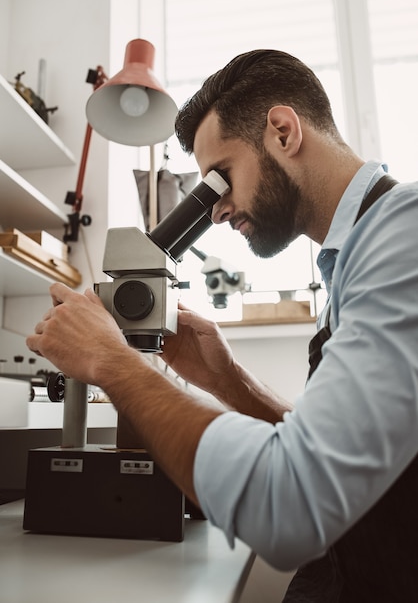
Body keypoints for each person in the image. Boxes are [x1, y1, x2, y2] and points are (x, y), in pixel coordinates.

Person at [27, 50, 418, 601]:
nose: (215, 209)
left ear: (283, 131)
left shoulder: (404, 235)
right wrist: (227, 379)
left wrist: (110, 360)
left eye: (221, 178)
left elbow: (293, 505)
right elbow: (337, 459)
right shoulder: (354, 257)